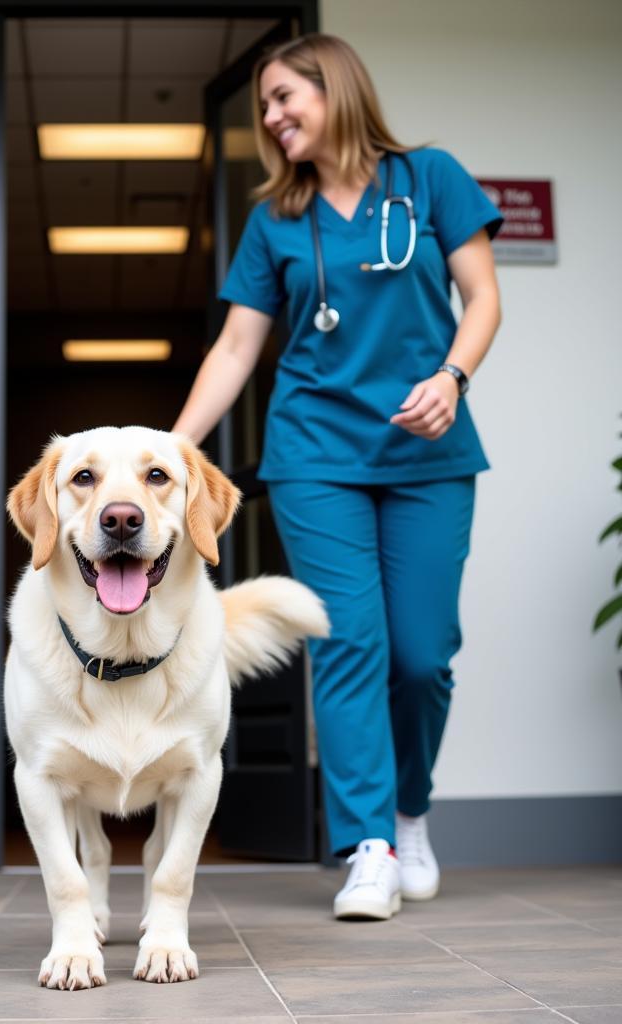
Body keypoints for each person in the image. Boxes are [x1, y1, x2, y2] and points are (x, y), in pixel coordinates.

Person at [173, 33, 502, 921]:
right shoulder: (277, 218)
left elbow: (483, 299)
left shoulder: (430, 178)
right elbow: (238, 345)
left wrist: (451, 378)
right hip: (316, 455)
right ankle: (369, 846)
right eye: (266, 108)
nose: (272, 119)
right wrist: (169, 452)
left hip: (429, 454)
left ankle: (410, 809)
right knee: (348, 642)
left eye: (285, 98)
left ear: (337, 88)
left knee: (423, 656)